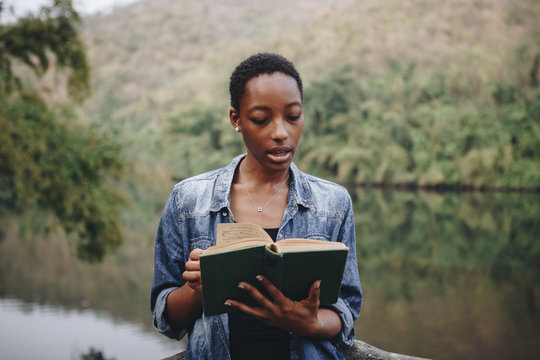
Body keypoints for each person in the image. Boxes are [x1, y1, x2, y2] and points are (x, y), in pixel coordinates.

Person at [150, 52, 362, 360]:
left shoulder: (333, 203)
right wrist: (198, 288)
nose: (280, 133)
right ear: (236, 119)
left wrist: (310, 323)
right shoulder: (189, 201)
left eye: (293, 116)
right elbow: (167, 319)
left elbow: (345, 308)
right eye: (261, 119)